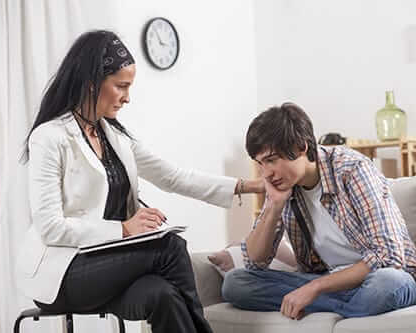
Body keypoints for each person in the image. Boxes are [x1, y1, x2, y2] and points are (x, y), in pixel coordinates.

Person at [16, 30, 262, 333]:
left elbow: (173, 176)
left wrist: (250, 186)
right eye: (121, 86)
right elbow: (50, 227)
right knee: (170, 247)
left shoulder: (115, 137)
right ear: (92, 82)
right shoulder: (50, 138)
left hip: (107, 266)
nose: (127, 97)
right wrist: (123, 228)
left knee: (165, 296)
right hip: (62, 273)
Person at [222, 102, 416, 320]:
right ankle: (350, 311)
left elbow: (388, 257)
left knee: (387, 285)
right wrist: (273, 207)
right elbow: (255, 262)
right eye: (260, 164)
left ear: (301, 147)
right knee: (236, 283)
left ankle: (329, 309)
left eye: (272, 160)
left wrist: (314, 288)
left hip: (382, 278)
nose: (266, 173)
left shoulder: (351, 169)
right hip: (331, 284)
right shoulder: (283, 186)